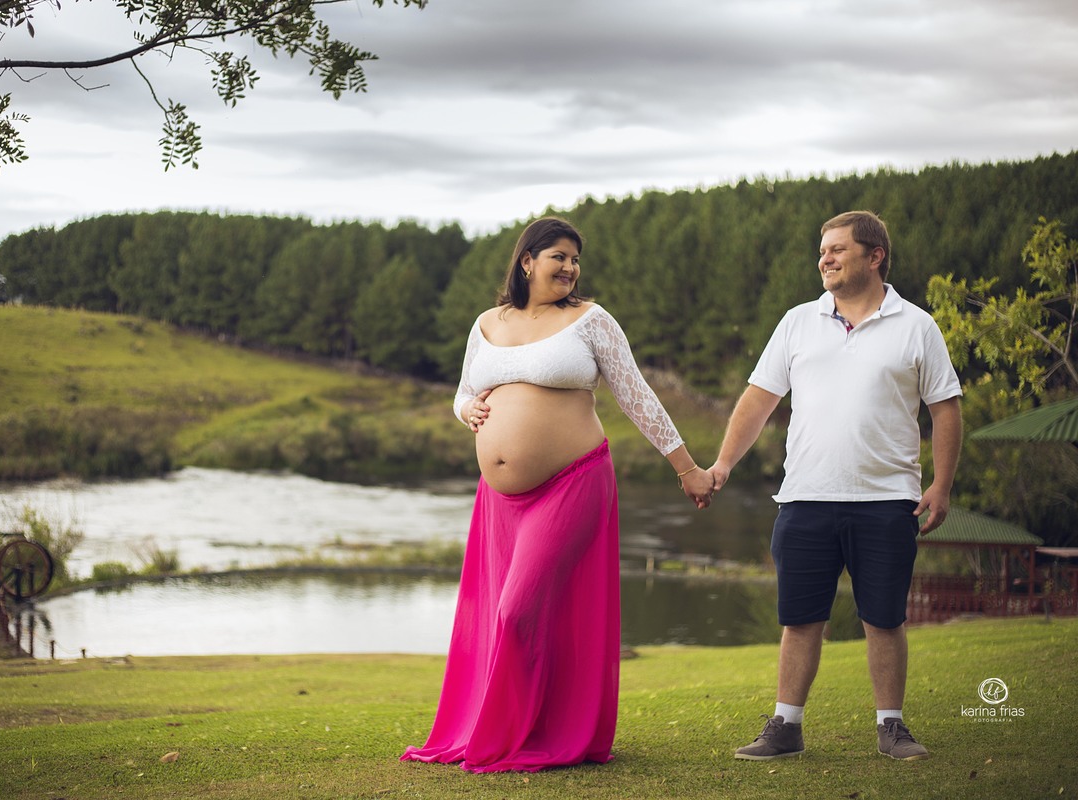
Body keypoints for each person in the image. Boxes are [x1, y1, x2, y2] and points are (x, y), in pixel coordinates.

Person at [401, 216, 714, 773]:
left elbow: (636, 395)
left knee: (518, 608)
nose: (569, 268)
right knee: (505, 613)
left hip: (572, 481)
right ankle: (504, 730)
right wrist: (465, 410)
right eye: (558, 257)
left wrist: (686, 467)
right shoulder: (487, 323)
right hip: (500, 500)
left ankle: (529, 734)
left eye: (575, 259)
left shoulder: (590, 321)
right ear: (528, 261)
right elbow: (463, 393)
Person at [708, 210, 962, 762]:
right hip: (805, 498)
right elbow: (757, 401)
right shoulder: (797, 322)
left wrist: (941, 485)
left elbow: (945, 408)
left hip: (887, 501)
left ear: (875, 256)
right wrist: (723, 464)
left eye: (837, 249)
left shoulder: (917, 325)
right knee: (800, 619)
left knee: (884, 619)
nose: (824, 258)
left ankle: (891, 727)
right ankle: (785, 727)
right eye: (822, 250)